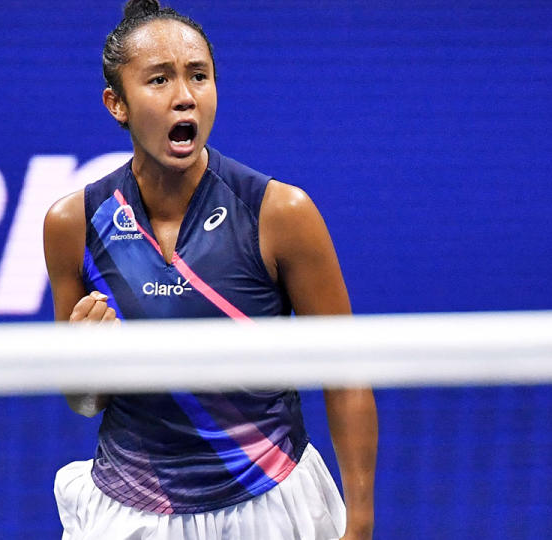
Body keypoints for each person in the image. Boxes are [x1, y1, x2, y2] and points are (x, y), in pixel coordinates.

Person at [43, 1, 378, 538]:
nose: (185, 96)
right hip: (130, 513)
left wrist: (359, 524)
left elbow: (347, 376)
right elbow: (83, 402)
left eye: (199, 76)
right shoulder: (74, 223)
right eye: (159, 79)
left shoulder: (280, 213)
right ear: (117, 103)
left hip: (268, 505)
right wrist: (86, 365)